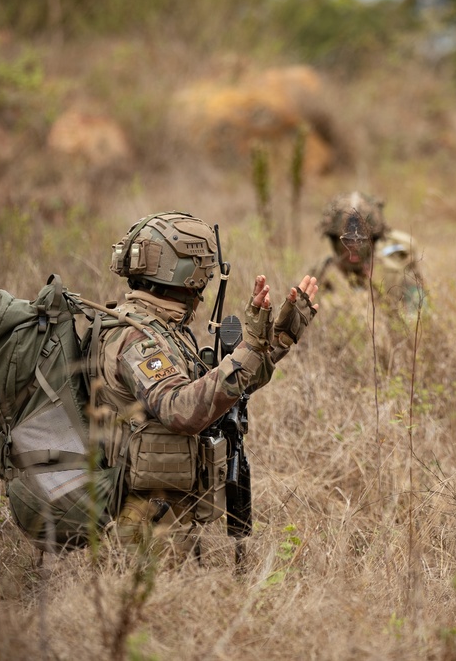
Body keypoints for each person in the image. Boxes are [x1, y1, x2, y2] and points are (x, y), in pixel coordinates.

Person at [91, 211, 318, 559]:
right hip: (139, 534)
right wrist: (252, 347)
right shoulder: (136, 337)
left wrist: (279, 336)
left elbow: (216, 390)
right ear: (189, 275)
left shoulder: (163, 329)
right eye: (205, 272)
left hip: (166, 522)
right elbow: (184, 410)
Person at [308, 191, 425, 313]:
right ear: (334, 241)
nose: (354, 247)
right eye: (346, 240)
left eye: (362, 240)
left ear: (373, 241)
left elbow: (419, 318)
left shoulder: (394, 274)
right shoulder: (321, 274)